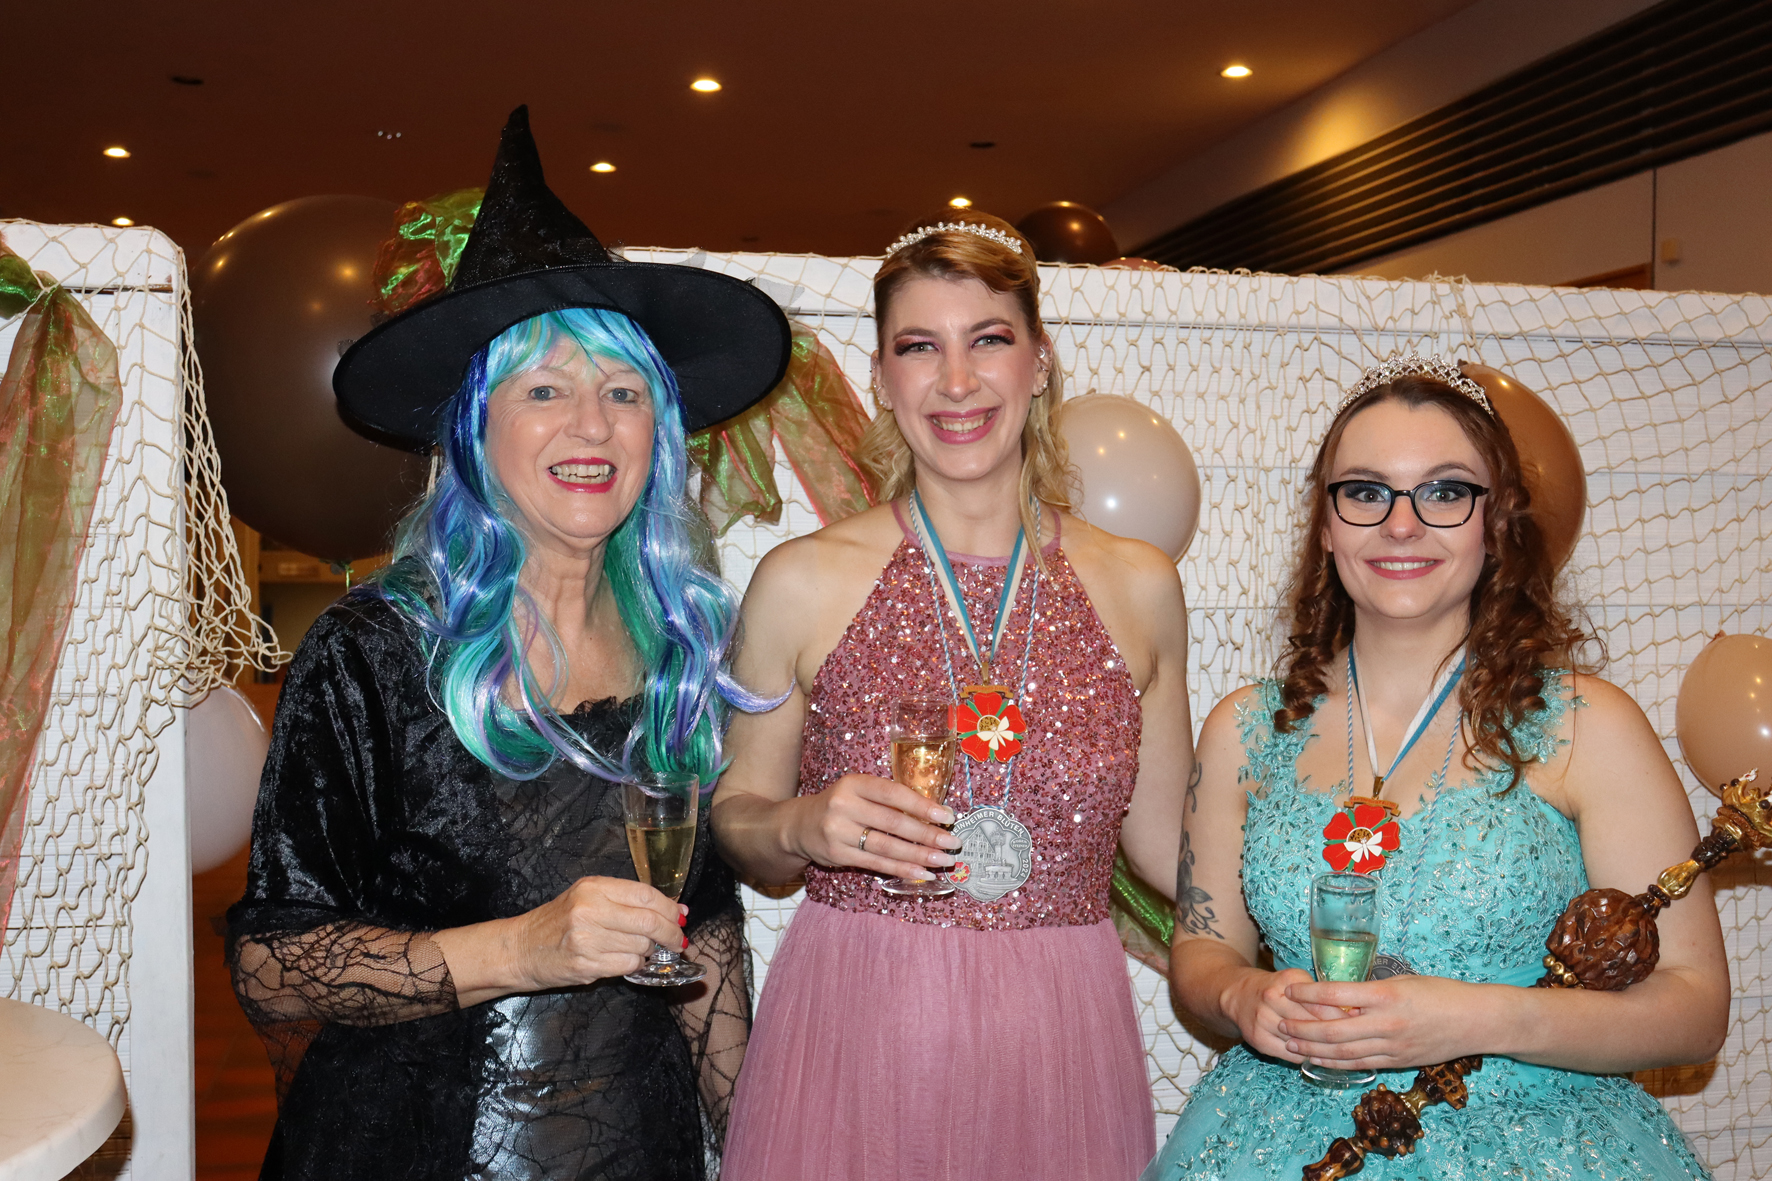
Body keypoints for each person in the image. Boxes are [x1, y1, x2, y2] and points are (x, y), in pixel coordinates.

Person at [226, 107, 791, 1181]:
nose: (592, 424)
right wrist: (523, 948)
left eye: (623, 392)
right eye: (544, 390)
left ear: (659, 435)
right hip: (413, 1152)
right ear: (476, 429)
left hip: (635, 1149)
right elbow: (274, 965)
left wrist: (760, 1141)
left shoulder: (684, 652)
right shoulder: (374, 651)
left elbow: (706, 934)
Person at [1143, 356, 1729, 1180]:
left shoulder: (1586, 726)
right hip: (1281, 1134)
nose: (1401, 525)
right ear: (1326, 524)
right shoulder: (1245, 730)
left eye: (1445, 491)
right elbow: (1204, 951)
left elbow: (1695, 1006)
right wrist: (1243, 997)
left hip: (1540, 1144)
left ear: (1498, 520)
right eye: (1366, 491)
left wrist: (1479, 1018)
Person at [711, 213, 1194, 1181]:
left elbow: (1167, 850)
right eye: (919, 347)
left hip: (1059, 1039)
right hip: (859, 1025)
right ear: (882, 378)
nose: (957, 380)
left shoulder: (1140, 584)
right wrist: (802, 823)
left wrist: (1334, 883)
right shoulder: (799, 580)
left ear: (1040, 363)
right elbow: (735, 821)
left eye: (989, 339)